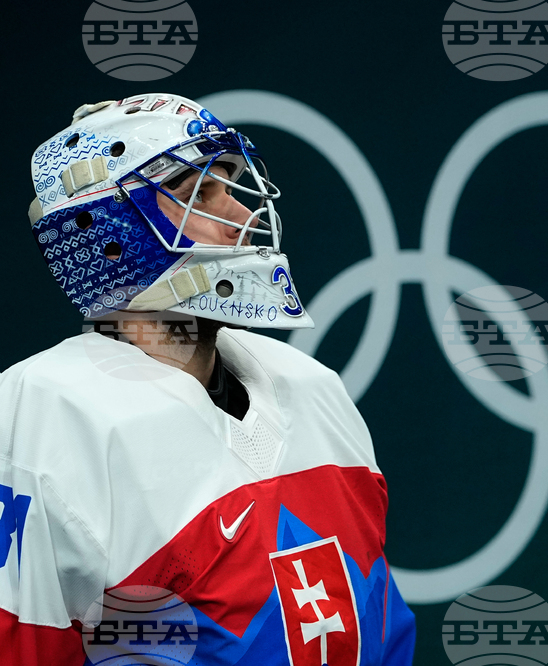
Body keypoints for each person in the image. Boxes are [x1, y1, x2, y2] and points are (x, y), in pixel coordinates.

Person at [0, 94, 416, 665]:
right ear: (109, 230)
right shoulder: (45, 414)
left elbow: (380, 625)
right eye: (200, 193)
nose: (242, 217)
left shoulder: (311, 385)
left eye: (230, 186)